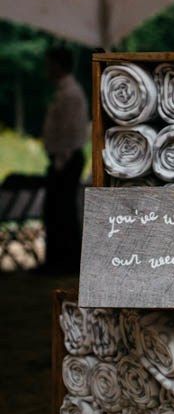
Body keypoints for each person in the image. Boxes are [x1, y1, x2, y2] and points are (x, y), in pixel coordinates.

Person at [40, 47, 89, 273]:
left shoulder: (70, 94)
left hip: (66, 158)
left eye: (50, 64)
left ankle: (65, 261)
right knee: (57, 210)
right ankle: (60, 260)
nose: (46, 69)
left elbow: (69, 131)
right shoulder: (66, 91)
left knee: (62, 210)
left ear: (59, 65)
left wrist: (60, 160)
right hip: (63, 158)